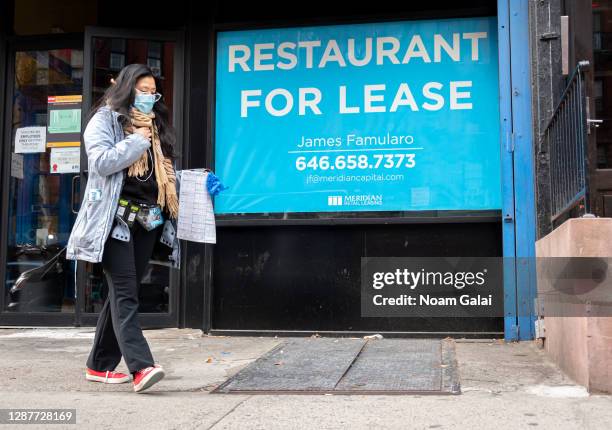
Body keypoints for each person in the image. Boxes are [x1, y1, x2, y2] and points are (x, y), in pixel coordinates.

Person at [66, 64, 181, 393]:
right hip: (114, 221)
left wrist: (196, 183)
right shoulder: (105, 120)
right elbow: (100, 162)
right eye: (142, 90)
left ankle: (98, 365)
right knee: (126, 294)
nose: (148, 97)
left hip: (148, 222)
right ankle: (141, 367)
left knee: (120, 294)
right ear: (127, 88)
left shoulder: (155, 127)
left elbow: (162, 177)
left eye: (152, 92)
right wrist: (136, 142)